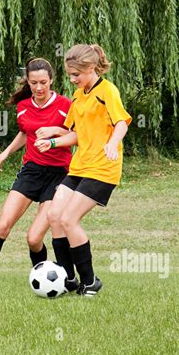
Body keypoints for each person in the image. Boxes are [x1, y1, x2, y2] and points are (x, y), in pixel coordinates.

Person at [0, 58, 72, 295]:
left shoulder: (65, 105)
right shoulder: (23, 106)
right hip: (31, 172)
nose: (39, 88)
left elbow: (78, 135)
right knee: (2, 225)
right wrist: (6, 152)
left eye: (43, 82)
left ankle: (53, 282)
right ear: (28, 82)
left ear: (51, 80)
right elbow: (24, 133)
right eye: (34, 83)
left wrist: (55, 132)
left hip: (58, 175)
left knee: (33, 239)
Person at [35, 44, 132, 297]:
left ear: (91, 68)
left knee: (69, 220)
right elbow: (75, 135)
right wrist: (53, 141)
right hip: (80, 166)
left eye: (76, 74)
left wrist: (112, 143)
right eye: (69, 75)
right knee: (55, 215)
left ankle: (90, 281)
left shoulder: (107, 91)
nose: (73, 79)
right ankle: (68, 278)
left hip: (102, 168)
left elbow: (121, 123)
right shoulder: (79, 95)